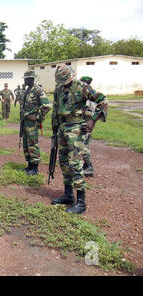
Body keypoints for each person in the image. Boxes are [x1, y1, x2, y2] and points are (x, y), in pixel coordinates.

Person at [51, 65, 107, 214]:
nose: (64, 83)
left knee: (75, 164)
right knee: (63, 163)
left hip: (76, 130)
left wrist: (92, 120)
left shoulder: (83, 87)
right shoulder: (59, 89)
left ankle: (81, 203)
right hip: (63, 128)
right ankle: (68, 194)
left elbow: (103, 101)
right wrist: (54, 128)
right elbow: (56, 109)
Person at [20, 69, 52, 175]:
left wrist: (37, 117)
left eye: (27, 79)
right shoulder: (27, 90)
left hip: (32, 123)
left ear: (31, 79)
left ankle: (35, 168)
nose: (25, 81)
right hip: (25, 122)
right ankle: (29, 165)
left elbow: (47, 106)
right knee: (26, 144)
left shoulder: (38, 90)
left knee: (33, 144)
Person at [80, 76, 95, 177]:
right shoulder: (90, 92)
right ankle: (87, 165)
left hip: (86, 123)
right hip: (87, 122)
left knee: (84, 144)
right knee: (85, 143)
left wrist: (88, 122)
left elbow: (90, 110)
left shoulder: (89, 93)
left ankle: (89, 166)